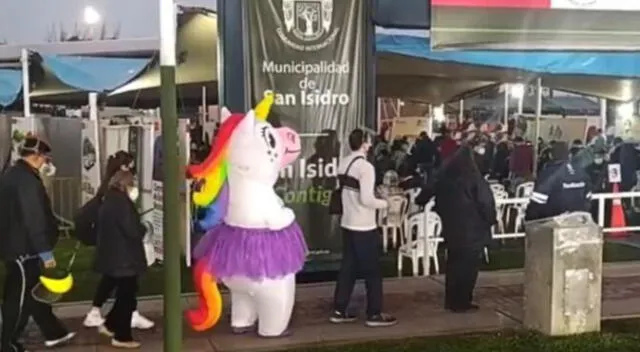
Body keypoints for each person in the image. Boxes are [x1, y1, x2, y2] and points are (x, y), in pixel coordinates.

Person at [0, 136, 76, 352]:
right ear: (36, 156)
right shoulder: (26, 181)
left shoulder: (14, 175)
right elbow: (33, 218)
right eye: (45, 158)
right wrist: (45, 251)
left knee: (32, 293)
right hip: (24, 250)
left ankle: (54, 332)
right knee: (19, 300)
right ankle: (7, 344)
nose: (46, 162)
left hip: (16, 247)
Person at [416, 146, 496, 313]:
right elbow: (486, 203)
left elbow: (425, 194)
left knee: (453, 264)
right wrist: (490, 220)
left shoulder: (444, 176)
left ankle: (451, 300)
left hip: (451, 228)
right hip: (472, 230)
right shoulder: (474, 177)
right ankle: (463, 301)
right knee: (469, 267)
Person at [330, 129, 397, 327]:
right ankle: (374, 313)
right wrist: (385, 203)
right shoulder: (365, 167)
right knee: (373, 271)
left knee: (348, 268)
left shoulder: (344, 163)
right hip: (364, 225)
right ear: (365, 144)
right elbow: (367, 199)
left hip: (348, 222)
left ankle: (339, 309)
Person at [83, 151, 154, 330]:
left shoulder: (110, 194)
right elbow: (130, 228)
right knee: (125, 284)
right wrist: (142, 229)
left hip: (113, 248)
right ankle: (117, 321)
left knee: (115, 281)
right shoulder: (117, 198)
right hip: (121, 249)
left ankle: (115, 314)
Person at [94, 170, 148, 348]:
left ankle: (109, 325)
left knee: (126, 294)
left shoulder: (109, 200)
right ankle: (122, 336)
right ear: (125, 184)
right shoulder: (122, 204)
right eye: (132, 183)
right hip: (125, 258)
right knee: (127, 297)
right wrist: (143, 229)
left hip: (115, 255)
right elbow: (132, 231)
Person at [525, 142, 592, 221]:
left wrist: (528, 218)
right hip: (578, 220)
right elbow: (588, 197)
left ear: (551, 155)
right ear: (568, 155)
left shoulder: (550, 173)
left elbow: (537, 202)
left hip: (555, 221)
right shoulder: (581, 171)